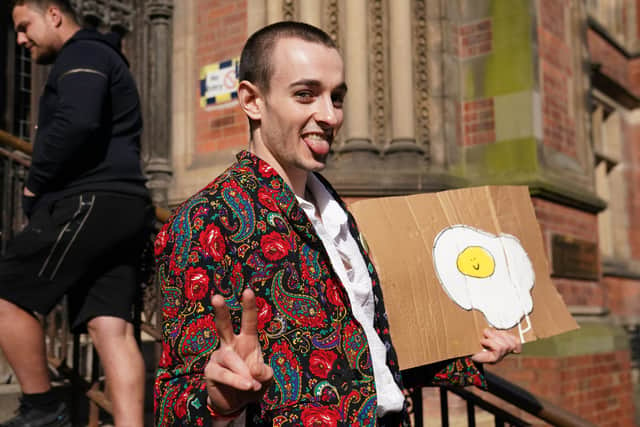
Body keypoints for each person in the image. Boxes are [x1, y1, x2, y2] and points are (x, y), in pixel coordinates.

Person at [154, 21, 521, 426]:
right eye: (305, 94)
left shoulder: (337, 214)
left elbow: (368, 357)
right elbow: (175, 399)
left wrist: (467, 349)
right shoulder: (205, 220)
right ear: (252, 100)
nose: (329, 115)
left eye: (337, 97)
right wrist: (219, 399)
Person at [0, 1, 153, 426]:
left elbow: (77, 122)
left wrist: (34, 183)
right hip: (124, 208)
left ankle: (42, 409)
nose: (21, 39)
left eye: (24, 26)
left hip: (91, 200)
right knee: (113, 330)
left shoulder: (83, 53)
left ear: (53, 14)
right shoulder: (103, 54)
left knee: (6, 292)